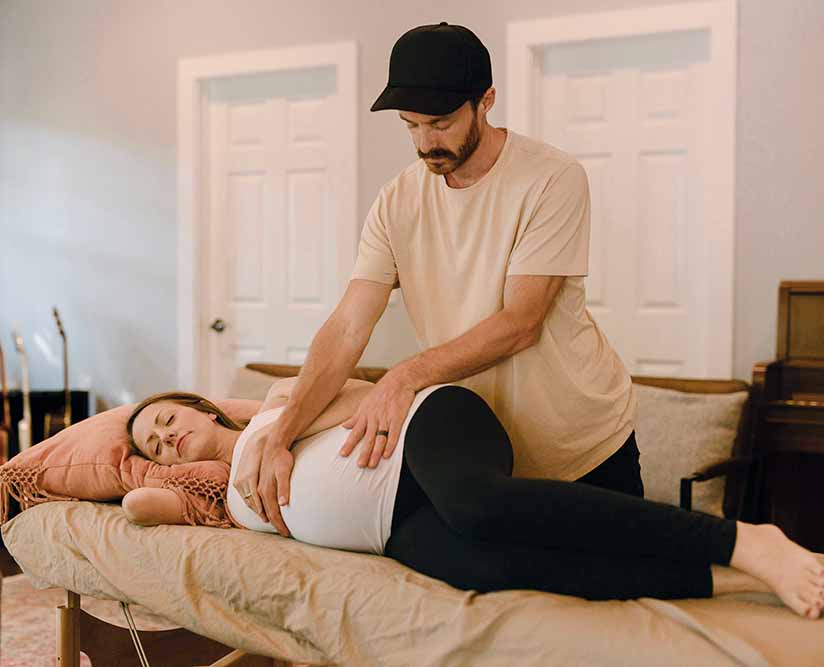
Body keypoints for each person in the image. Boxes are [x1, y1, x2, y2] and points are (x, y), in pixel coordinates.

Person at [235, 22, 641, 539]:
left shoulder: (551, 179)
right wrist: (280, 436)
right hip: (488, 459)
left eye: (441, 123)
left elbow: (521, 323)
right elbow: (347, 327)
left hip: (584, 444)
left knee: (630, 600)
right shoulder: (397, 202)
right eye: (411, 126)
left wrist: (404, 376)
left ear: (486, 100)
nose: (426, 143)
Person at [121, 378, 824, 619]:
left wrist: (268, 421)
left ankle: (742, 538)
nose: (165, 438)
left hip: (431, 431)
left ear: (198, 405)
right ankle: (716, 577)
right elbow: (139, 508)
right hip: (395, 529)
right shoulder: (226, 499)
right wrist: (133, 470)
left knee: (479, 505)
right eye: (152, 443)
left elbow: (370, 398)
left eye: (166, 420)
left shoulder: (278, 405)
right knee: (482, 566)